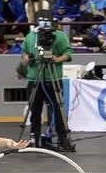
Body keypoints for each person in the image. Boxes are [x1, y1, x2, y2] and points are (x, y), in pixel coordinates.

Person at [21, 14, 75, 151]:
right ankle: (35, 137)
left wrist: (57, 59)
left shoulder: (60, 36)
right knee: (35, 111)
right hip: (35, 78)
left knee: (58, 110)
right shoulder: (30, 36)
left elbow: (68, 54)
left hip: (53, 78)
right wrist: (27, 58)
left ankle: (63, 139)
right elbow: (24, 53)